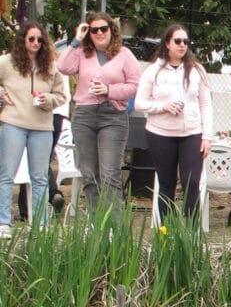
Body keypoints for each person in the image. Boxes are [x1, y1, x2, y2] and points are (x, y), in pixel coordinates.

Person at [56, 13, 142, 213]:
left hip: (112, 115)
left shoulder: (124, 54)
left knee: (109, 173)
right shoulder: (82, 53)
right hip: (84, 115)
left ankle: (113, 224)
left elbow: (136, 86)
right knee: (89, 173)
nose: (99, 33)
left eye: (104, 28)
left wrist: (109, 90)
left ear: (112, 30)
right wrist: (77, 40)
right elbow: (62, 67)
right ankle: (96, 223)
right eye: (94, 30)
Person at [135, 24, 213, 220]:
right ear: (167, 43)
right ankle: (165, 229)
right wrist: (163, 106)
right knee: (166, 182)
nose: (182, 45)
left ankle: (191, 230)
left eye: (186, 41)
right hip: (161, 133)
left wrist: (207, 136)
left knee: (191, 182)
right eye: (177, 41)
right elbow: (139, 103)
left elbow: (206, 104)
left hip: (191, 133)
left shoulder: (197, 70)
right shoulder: (153, 70)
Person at [0, 22, 69, 237]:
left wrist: (47, 99)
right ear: (23, 40)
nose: (36, 43)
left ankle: (40, 223)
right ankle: (3, 222)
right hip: (13, 123)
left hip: (42, 127)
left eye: (40, 39)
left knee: (39, 177)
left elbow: (61, 96)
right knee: (6, 175)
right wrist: (1, 93)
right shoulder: (7, 62)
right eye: (31, 39)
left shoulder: (51, 66)